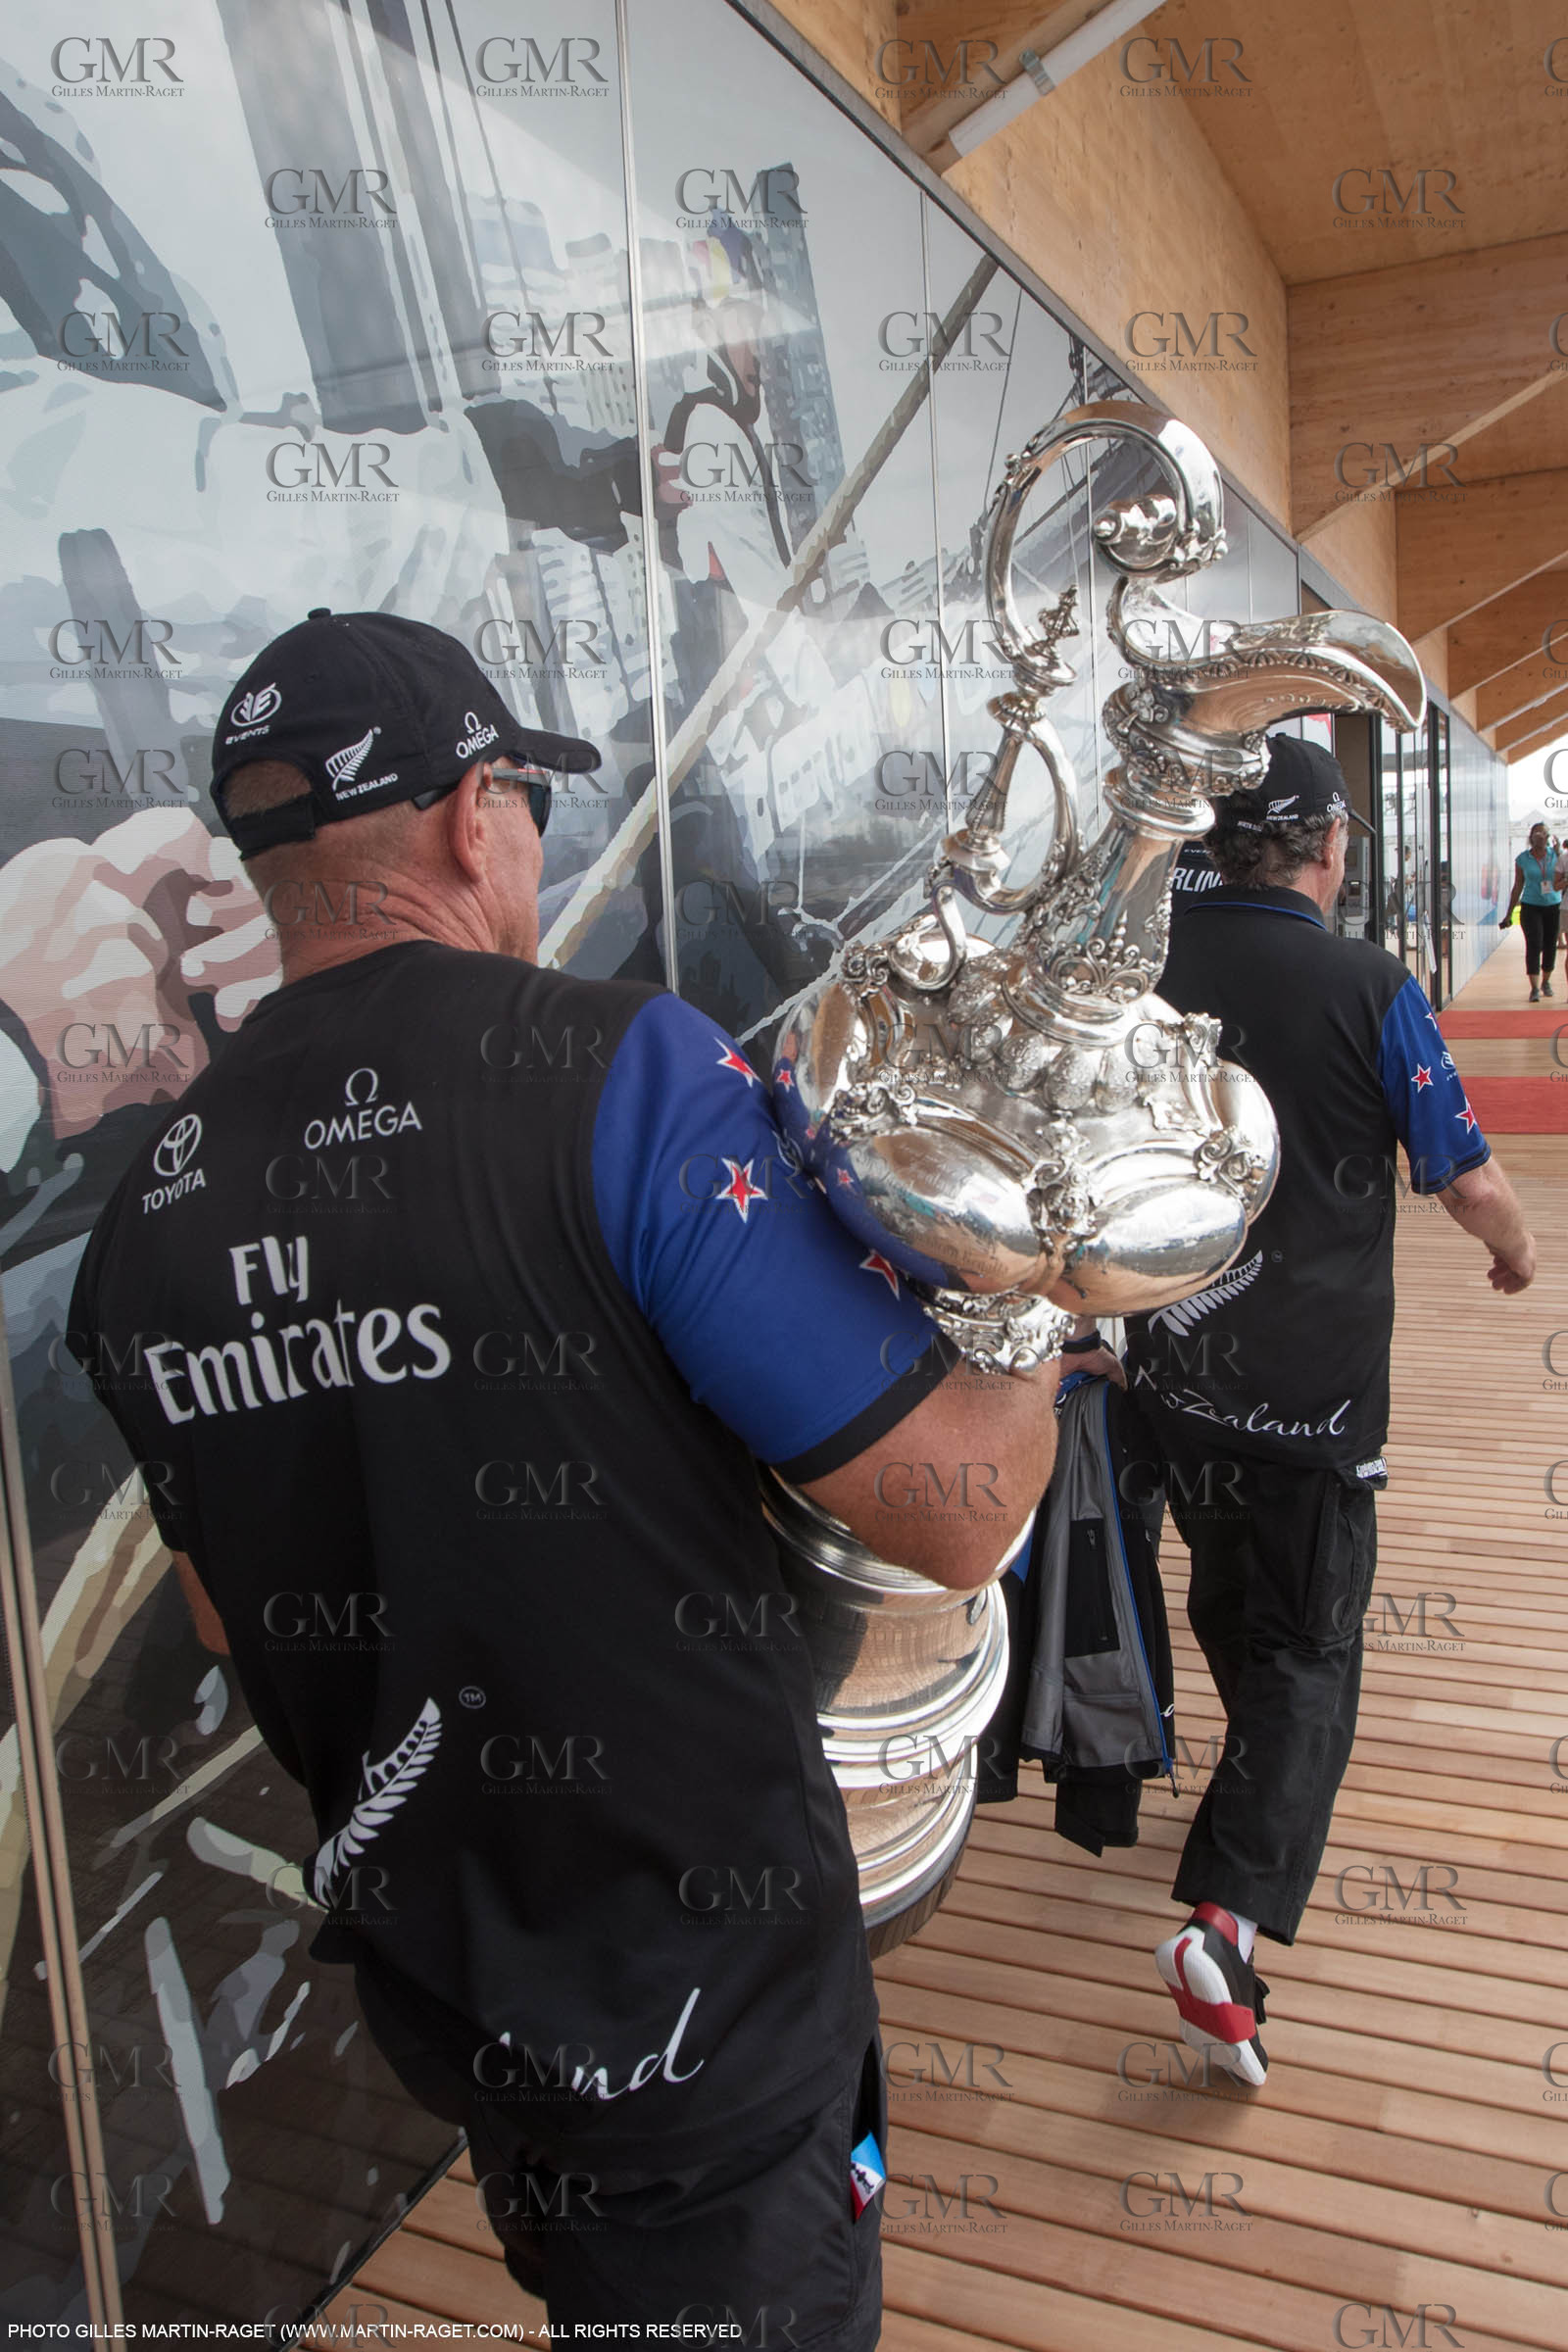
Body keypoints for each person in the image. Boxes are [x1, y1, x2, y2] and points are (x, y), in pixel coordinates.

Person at [68, 611, 1063, 2338]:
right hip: (706, 2006)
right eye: (526, 795)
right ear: (475, 818)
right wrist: (1028, 1313)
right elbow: (961, 1516)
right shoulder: (626, 1072)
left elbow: (233, 1617)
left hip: (453, 1990)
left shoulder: (138, 1226)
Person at [1122, 734, 1536, 2089]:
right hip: (1310, 1396)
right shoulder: (1369, 985)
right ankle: (1225, 1925)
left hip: (1171, 1373)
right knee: (1312, 1651)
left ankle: (1256, 1783)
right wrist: (1519, 1254)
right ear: (1329, 849)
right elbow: (1462, 1173)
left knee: (1232, 1599)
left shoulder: (1149, 969)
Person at [1499, 820, 1567, 1001]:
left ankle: (1546, 981)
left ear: (1548, 836)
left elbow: (1563, 875)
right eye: (1536, 833)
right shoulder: (1523, 859)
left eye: (1543, 833)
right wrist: (1509, 913)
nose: (1539, 836)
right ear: (1531, 837)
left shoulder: (1556, 855)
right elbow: (1517, 886)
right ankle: (1534, 987)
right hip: (1530, 906)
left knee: (1550, 944)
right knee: (1534, 943)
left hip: (1553, 905)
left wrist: (1559, 850)